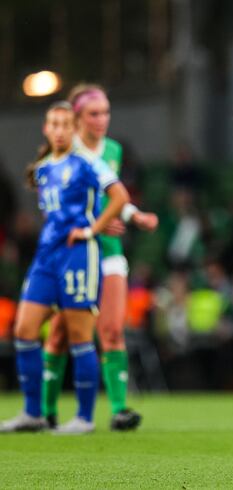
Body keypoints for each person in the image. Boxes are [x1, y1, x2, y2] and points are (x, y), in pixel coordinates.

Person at [0, 101, 130, 433]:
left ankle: (84, 418)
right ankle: (33, 413)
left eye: (65, 125)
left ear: (74, 130)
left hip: (79, 255)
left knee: (79, 337)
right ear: (46, 128)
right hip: (47, 256)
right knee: (24, 331)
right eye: (53, 124)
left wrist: (92, 229)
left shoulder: (89, 163)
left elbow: (119, 197)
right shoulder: (43, 168)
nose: (59, 130)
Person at [41, 84, 158, 431]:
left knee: (111, 329)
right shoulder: (63, 152)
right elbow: (56, 208)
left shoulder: (113, 150)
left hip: (108, 253)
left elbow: (109, 198)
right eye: (94, 113)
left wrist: (133, 216)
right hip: (74, 252)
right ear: (77, 117)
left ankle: (120, 408)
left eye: (106, 112)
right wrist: (94, 226)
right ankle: (45, 410)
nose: (102, 119)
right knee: (60, 333)